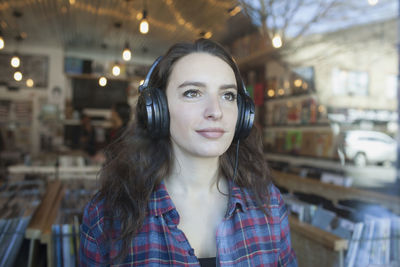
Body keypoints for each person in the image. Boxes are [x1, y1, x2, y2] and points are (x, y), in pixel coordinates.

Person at [80, 38, 297, 266]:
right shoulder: (107, 216)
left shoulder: (268, 203)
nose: (216, 111)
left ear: (243, 115)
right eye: (192, 93)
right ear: (158, 110)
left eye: (228, 95)